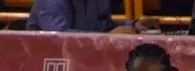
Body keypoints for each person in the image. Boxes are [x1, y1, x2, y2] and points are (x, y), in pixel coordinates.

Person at [26, 0, 160, 33]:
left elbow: (106, 26)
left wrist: (133, 26)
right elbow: (59, 38)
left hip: (86, 63)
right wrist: (105, 38)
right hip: (50, 64)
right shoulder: (52, 2)